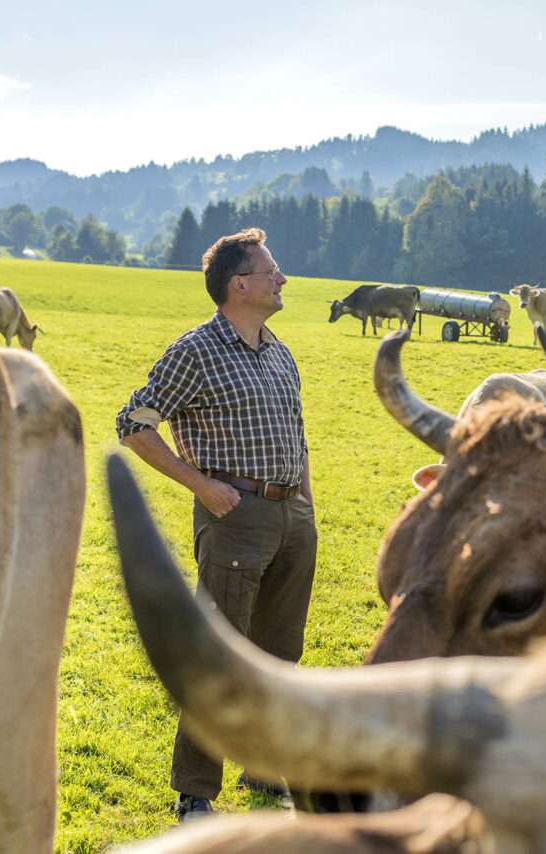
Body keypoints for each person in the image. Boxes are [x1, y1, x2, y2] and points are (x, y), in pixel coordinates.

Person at [116, 228, 317, 822]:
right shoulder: (196, 351)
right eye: (271, 270)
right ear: (240, 283)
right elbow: (134, 423)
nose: (282, 280)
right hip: (235, 517)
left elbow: (298, 433)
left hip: (291, 517)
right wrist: (201, 486)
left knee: (279, 653)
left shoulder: (278, 350)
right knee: (218, 654)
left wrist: (305, 505)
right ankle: (196, 793)